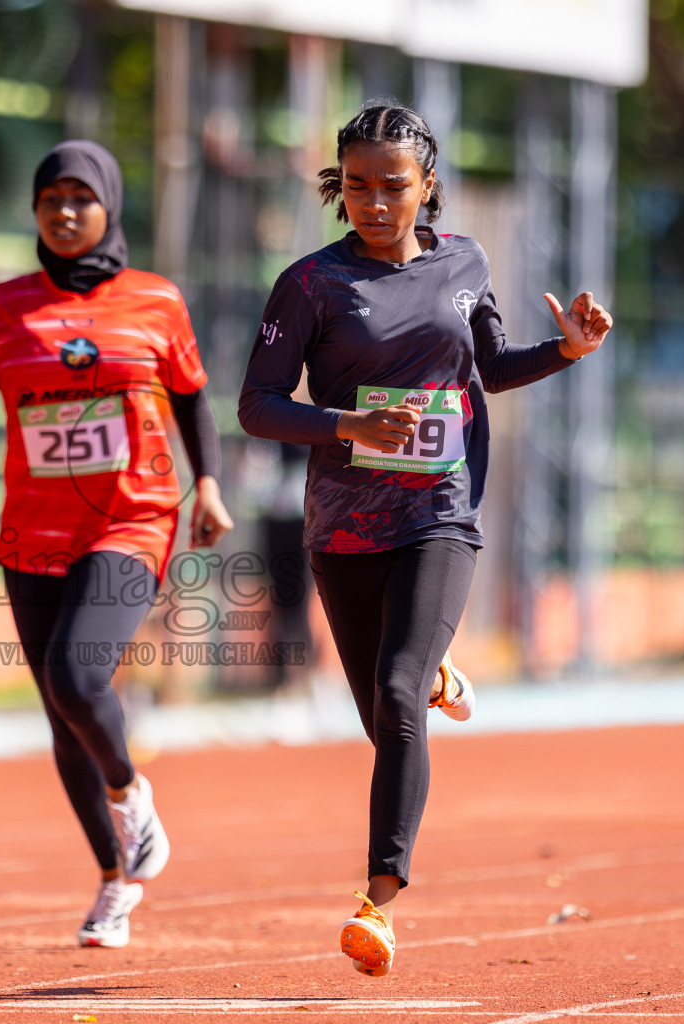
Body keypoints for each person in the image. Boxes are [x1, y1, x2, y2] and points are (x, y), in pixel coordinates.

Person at [237, 103, 612, 977]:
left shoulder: (465, 263)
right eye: (358, 186)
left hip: (440, 513)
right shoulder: (311, 285)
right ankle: (437, 666)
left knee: (399, 693)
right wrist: (348, 427)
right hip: (343, 528)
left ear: (427, 186)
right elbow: (257, 405)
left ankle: (380, 901)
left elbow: (490, 367)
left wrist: (564, 350)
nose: (374, 202)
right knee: (382, 715)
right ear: (342, 185)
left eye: (393, 187)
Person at [0, 139, 233, 949]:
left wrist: (209, 485)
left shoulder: (155, 299)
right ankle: (116, 883)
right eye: (52, 201)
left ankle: (130, 794)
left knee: (77, 677)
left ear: (109, 206)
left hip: (131, 516)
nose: (66, 212)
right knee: (60, 715)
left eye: (82, 198)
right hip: (34, 533)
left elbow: (192, 398)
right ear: (37, 213)